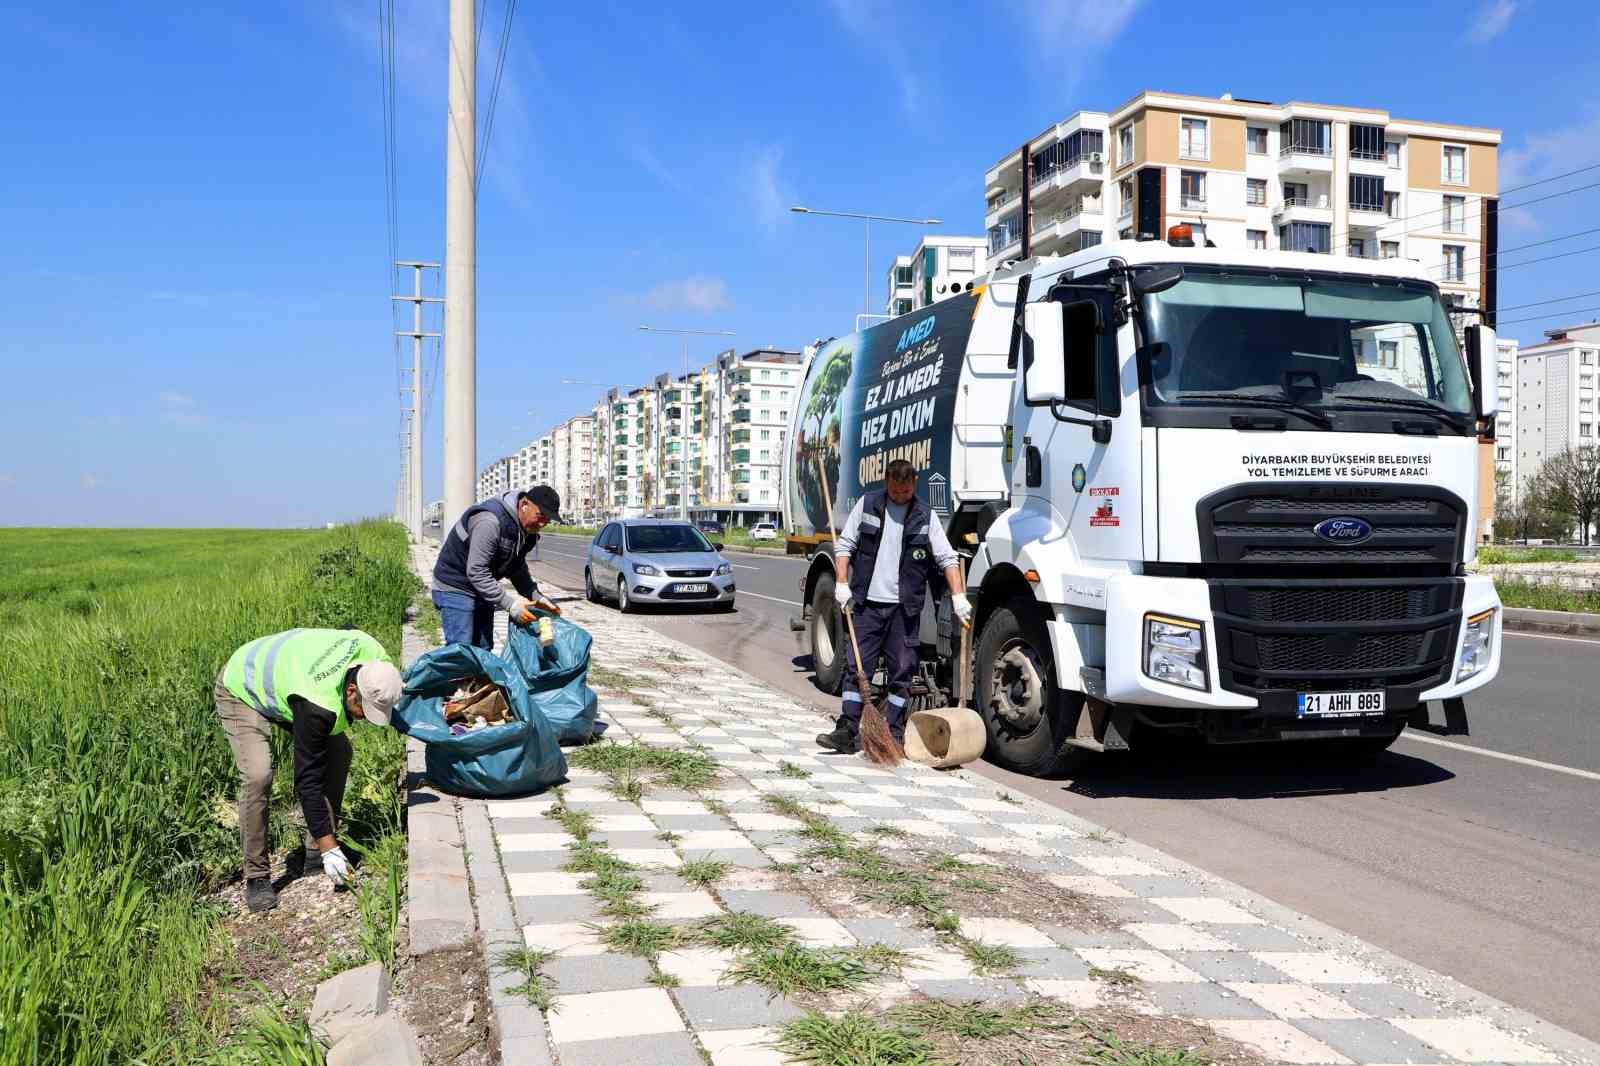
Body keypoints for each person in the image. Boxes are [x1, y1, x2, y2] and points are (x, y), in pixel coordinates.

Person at [216, 628, 403, 912]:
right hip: (243, 686)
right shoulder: (318, 704)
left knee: (339, 753)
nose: (365, 718)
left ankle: (314, 854)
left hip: (290, 680)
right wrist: (333, 851)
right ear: (351, 690)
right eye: (363, 709)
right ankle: (256, 876)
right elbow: (308, 781)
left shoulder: (377, 663)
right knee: (258, 774)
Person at [816, 460, 973, 755]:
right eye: (896, 489)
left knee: (903, 671)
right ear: (886, 482)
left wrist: (959, 596)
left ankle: (894, 735)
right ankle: (847, 730)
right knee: (856, 669)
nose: (901, 494)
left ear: (915, 483)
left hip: (905, 611)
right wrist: (841, 582)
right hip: (867, 606)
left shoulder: (925, 516)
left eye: (907, 489)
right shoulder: (868, 504)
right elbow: (845, 545)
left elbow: (947, 559)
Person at [431, 485, 563, 649]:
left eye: (548, 520)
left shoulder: (526, 531)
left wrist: (536, 597)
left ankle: (478, 676)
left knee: (483, 648)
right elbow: (477, 572)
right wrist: (510, 604)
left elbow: (516, 567)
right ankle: (446, 674)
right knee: (461, 650)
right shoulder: (490, 522)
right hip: (455, 585)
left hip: (481, 588)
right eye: (540, 515)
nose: (543, 524)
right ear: (524, 505)